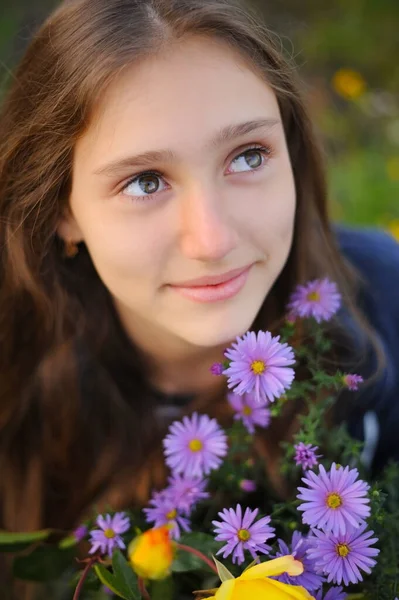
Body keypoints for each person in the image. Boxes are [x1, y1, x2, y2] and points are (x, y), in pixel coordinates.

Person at [0, 0, 398, 596]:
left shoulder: (382, 295)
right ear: (63, 210)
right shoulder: (14, 382)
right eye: (145, 181)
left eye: (248, 155)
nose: (212, 240)